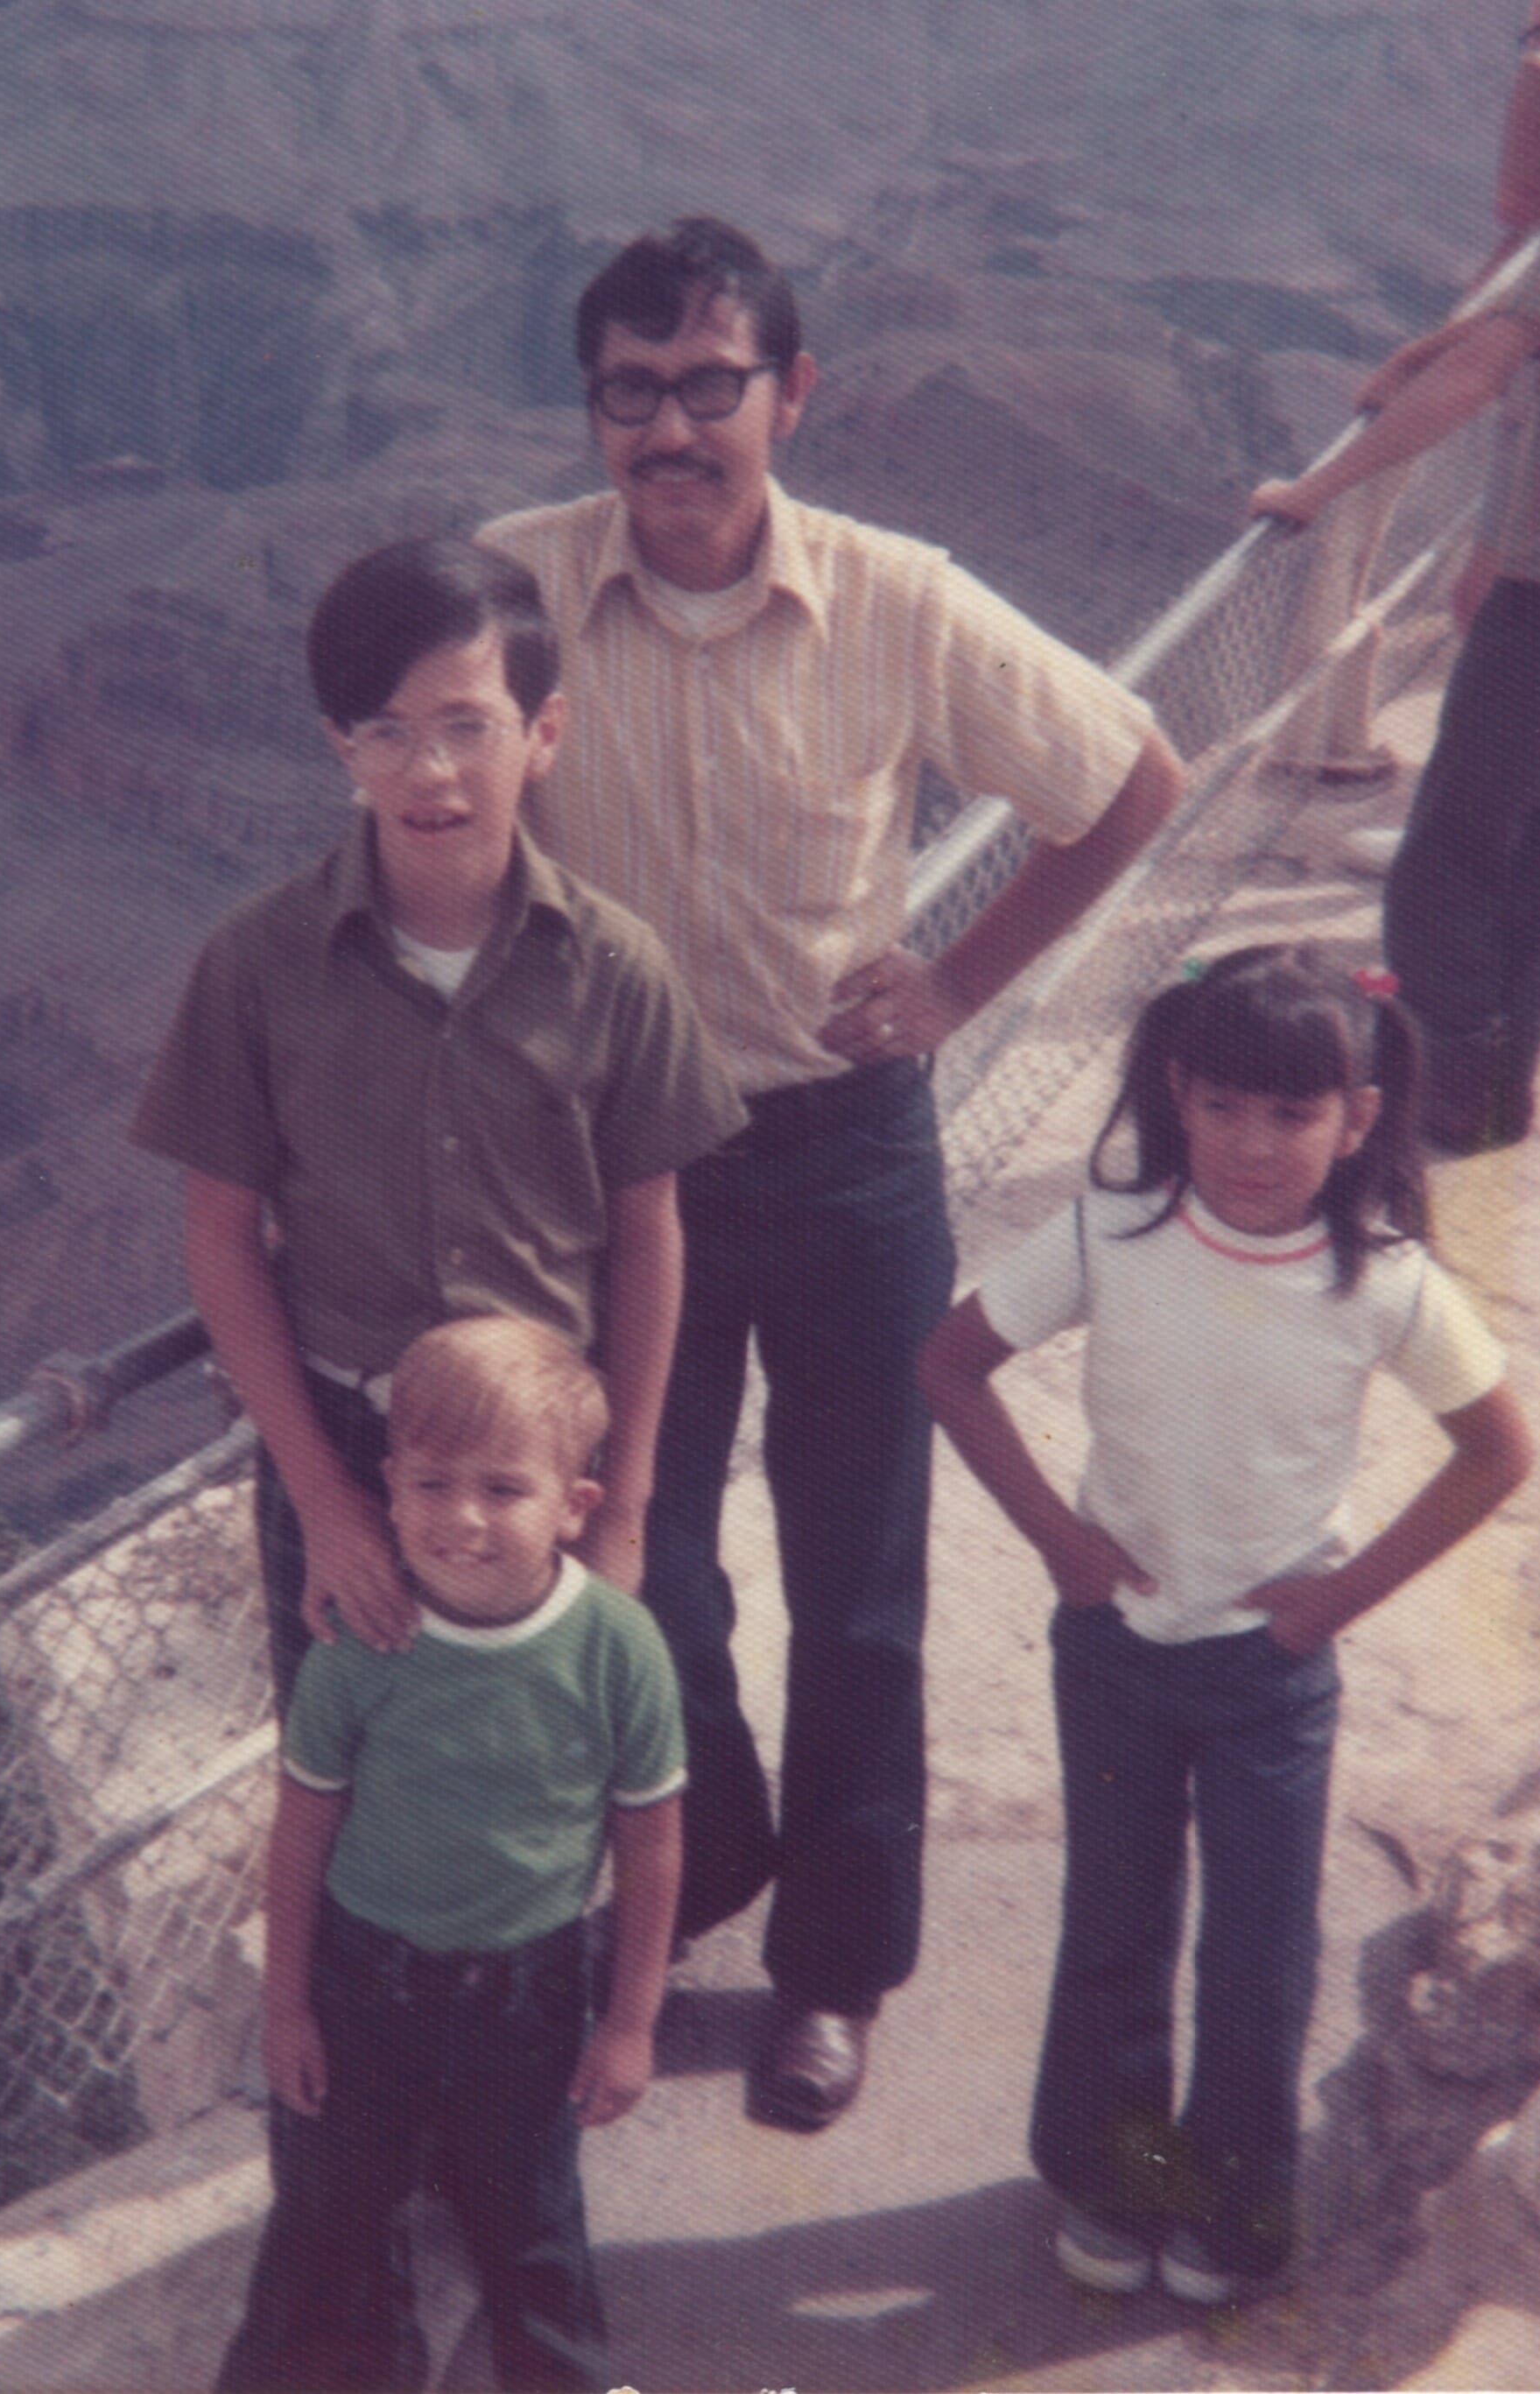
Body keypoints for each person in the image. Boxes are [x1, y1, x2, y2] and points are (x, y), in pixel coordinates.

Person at [481, 216, 1183, 2128]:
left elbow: (1131, 774)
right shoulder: (517, 591)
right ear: (592, 412)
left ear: (791, 394)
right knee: (644, 1558)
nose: (670, 430)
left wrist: (955, 980)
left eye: (710, 385)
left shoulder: (894, 600)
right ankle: (707, 1843)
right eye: (630, 393)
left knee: (859, 1575)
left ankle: (836, 1965)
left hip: (845, 1152)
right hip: (623, 1165)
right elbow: (418, 811)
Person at [918, 946, 1532, 2304]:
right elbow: (950, 1364)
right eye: (1224, 1108)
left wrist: (1338, 1600)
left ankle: (1239, 2201)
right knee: (1115, 1920)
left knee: (1259, 1949)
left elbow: (1497, 1451)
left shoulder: (1385, 1281)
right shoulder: (1109, 1235)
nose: (1254, 1145)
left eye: (1293, 1114)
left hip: (1272, 1673)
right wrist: (1060, 1540)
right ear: (1179, 1094)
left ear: (1356, 1118)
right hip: (1115, 1653)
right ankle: (1115, 2173)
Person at [130, 536, 746, 1710]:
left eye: (469, 725)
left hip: (545, 1453)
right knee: (356, 1763)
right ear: (341, 746)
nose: (431, 771)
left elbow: (650, 1239)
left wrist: (621, 1506)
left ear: (544, 734)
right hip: (342, 1442)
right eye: (388, 731)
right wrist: (323, 1501)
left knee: (553, 1764)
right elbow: (220, 1239)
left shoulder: (617, 967)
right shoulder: (257, 964)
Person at [215, 1314, 686, 2393]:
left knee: (534, 2234)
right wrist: (286, 2009)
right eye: (431, 1483)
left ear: (576, 1504)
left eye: (504, 1488)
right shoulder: (358, 1644)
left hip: (532, 1999)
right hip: (361, 1988)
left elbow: (652, 1843)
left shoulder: (619, 1649)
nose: (462, 1517)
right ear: (389, 1486)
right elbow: (302, 1829)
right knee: (326, 2219)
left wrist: (628, 2023)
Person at [1252, 0, 1540, 1153]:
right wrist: (1427, 346)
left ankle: (1438, 1093)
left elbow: (1480, 377)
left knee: (1450, 857)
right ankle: (1501, 1093)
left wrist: (1319, 486)